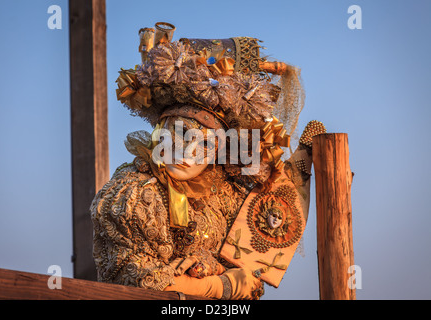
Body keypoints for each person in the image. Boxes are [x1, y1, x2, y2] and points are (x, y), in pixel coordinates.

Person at [90, 24, 325, 299]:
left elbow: (253, 275)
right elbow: (137, 285)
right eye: (179, 135)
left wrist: (298, 168)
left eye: (204, 144)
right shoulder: (133, 193)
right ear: (160, 133)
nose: (189, 153)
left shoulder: (222, 196)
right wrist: (221, 286)